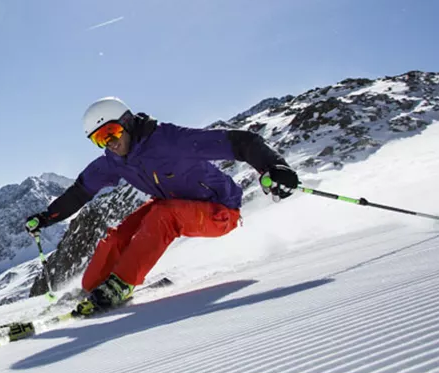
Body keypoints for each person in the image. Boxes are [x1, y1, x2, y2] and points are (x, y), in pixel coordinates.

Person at [25, 97, 299, 316]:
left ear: (127, 122)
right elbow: (81, 191)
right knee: (120, 233)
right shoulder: (114, 160)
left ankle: (121, 284)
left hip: (220, 211)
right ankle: (93, 286)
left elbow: (242, 142)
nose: (111, 143)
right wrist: (47, 217)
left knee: (162, 215)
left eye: (112, 132)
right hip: (171, 205)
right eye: (100, 139)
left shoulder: (170, 140)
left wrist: (275, 167)